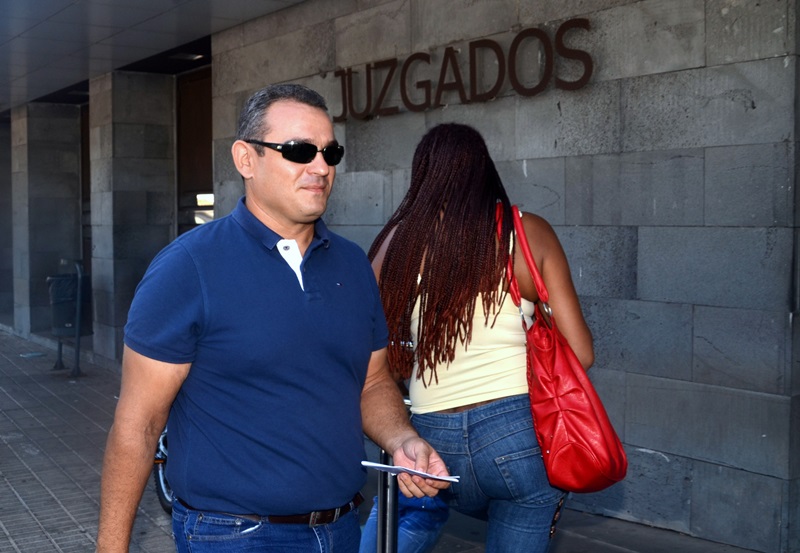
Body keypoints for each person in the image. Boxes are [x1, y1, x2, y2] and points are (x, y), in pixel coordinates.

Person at [96, 83, 450, 553]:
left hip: (341, 528)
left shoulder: (352, 265)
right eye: (300, 150)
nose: (321, 168)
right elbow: (138, 425)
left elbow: (371, 382)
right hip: (233, 535)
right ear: (246, 159)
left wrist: (402, 438)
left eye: (330, 152)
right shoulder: (188, 268)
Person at [367, 123, 594, 553]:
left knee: (403, 515)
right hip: (518, 434)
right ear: (484, 169)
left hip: (430, 435)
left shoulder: (396, 242)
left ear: (422, 175)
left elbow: (377, 354)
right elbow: (580, 352)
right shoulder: (527, 232)